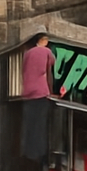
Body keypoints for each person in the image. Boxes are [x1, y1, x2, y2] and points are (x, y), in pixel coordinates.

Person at [21, 33, 56, 164]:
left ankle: (28, 153)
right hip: (40, 92)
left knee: (29, 125)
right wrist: (51, 91)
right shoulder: (46, 51)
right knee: (40, 126)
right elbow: (50, 66)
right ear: (44, 41)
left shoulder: (27, 53)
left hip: (27, 92)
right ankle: (40, 154)